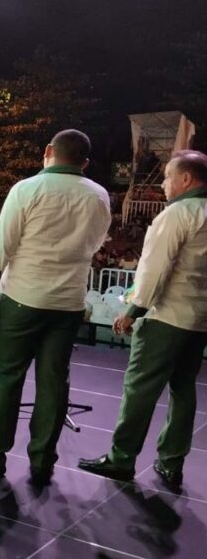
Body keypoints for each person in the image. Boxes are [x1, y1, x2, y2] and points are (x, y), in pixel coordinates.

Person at [0, 129, 111, 485]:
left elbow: (2, 246)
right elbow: (96, 243)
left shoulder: (27, 189)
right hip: (69, 302)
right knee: (54, 383)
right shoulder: (99, 195)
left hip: (23, 299)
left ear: (48, 151)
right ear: (85, 162)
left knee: (6, 379)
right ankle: (42, 461)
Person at [79, 150, 207, 488]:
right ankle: (171, 462)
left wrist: (133, 311)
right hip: (198, 320)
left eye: (167, 177)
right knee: (183, 390)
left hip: (165, 317)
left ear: (186, 179)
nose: (163, 184)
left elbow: (154, 270)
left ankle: (121, 458)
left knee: (139, 389)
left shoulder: (176, 214)